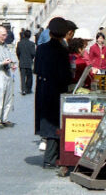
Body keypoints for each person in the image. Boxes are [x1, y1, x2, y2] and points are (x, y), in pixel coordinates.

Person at [34, 17, 72, 169]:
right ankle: (50, 158)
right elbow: (66, 75)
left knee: (49, 121)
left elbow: (36, 69)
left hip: (43, 88)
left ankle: (52, 157)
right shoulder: (63, 51)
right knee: (56, 121)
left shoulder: (42, 48)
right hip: (58, 89)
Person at [15, 29, 36, 95]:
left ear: (23, 35)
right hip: (29, 62)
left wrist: (19, 58)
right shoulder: (32, 44)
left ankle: (23, 89)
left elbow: (17, 52)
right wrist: (31, 58)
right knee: (29, 76)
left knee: (22, 76)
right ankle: (28, 89)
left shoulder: (19, 43)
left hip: (22, 61)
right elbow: (33, 53)